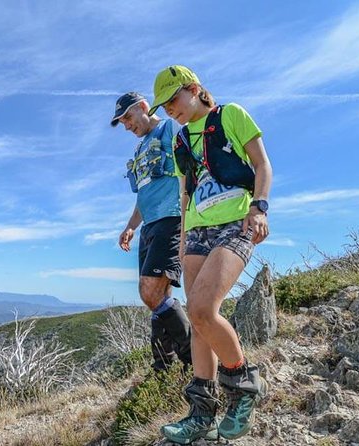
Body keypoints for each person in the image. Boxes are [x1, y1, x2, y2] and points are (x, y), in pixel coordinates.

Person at [147, 66, 272, 443]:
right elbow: (185, 193)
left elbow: (261, 164)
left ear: (195, 89)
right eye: (164, 106)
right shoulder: (181, 141)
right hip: (196, 232)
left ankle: (244, 387)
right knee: (200, 320)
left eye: (173, 100)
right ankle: (201, 412)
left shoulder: (230, 114)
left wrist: (261, 208)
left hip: (236, 222)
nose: (170, 110)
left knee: (201, 309)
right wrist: (183, 240)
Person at [111, 92, 192, 372]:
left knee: (149, 292)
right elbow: (143, 193)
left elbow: (187, 172)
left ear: (144, 107)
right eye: (123, 123)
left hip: (171, 218)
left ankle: (195, 360)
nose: (127, 126)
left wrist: (188, 218)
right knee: (158, 295)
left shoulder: (170, 129)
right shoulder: (140, 148)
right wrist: (131, 226)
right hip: (149, 225)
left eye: (129, 118)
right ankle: (163, 365)